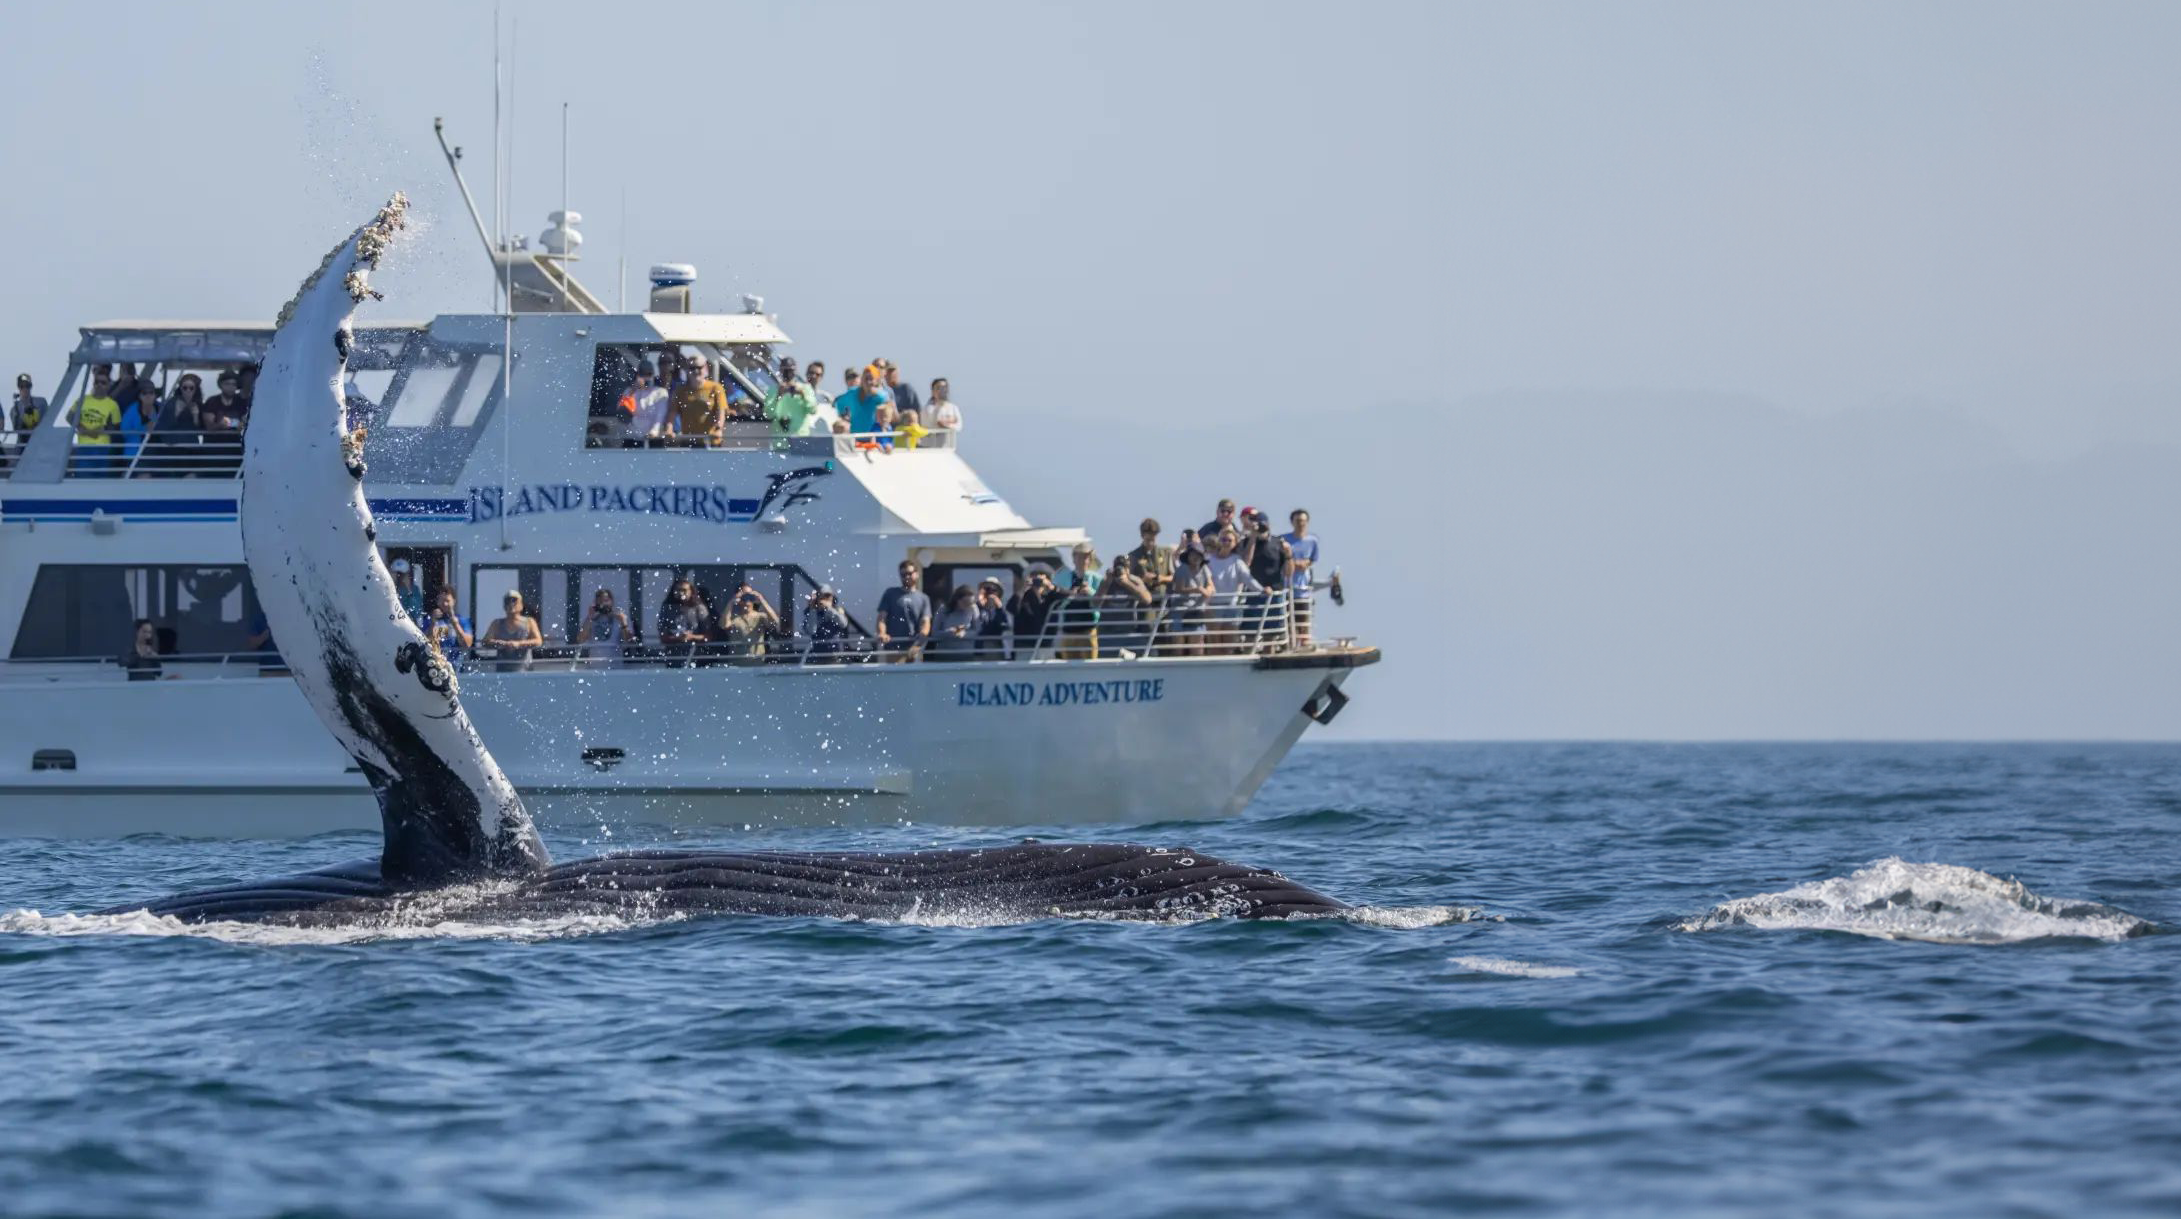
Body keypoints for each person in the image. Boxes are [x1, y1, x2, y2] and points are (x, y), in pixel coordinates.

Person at [1240, 507, 1294, 649]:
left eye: (1263, 524)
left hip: (1275, 594)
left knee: (1272, 633)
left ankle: (1269, 656)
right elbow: (1246, 564)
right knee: (1250, 632)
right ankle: (1248, 655)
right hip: (1254, 593)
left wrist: (1289, 555)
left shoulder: (1278, 543)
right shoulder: (1247, 542)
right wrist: (1252, 537)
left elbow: (1289, 573)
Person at [1204, 528, 1263, 654]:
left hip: (1232, 606)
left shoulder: (1237, 561)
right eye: (1223, 539)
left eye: (1229, 540)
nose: (1225, 542)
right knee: (1214, 643)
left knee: (1229, 643)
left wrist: (1263, 590)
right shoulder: (1208, 560)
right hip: (1213, 606)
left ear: (1235, 543)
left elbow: (1248, 579)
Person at [1098, 553, 1155, 657]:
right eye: (1118, 567)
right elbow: (1095, 603)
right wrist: (1106, 583)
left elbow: (1147, 599)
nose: (1120, 570)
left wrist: (1127, 583)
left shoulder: (1134, 580)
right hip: (1108, 633)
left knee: (1151, 652)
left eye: (1124, 567)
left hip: (1129, 632)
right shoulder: (1107, 581)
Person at [874, 560, 932, 661]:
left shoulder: (923, 598)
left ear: (917, 574)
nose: (907, 577)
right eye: (903, 574)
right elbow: (881, 617)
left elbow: (926, 622)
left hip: (915, 648)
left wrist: (919, 641)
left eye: (909, 573)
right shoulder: (890, 593)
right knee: (894, 676)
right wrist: (882, 633)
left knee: (914, 676)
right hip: (893, 648)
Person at [1053, 543, 1103, 659]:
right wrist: (1071, 594)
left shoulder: (1096, 578)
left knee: (1090, 666)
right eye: (1079, 556)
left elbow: (1100, 602)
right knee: (1068, 668)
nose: (1082, 560)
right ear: (1073, 558)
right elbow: (1056, 599)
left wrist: (1089, 592)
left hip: (1088, 630)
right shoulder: (1062, 577)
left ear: (1090, 560)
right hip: (1067, 631)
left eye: (1085, 557)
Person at [151, 374, 206, 476]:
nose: (188, 391)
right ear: (180, 388)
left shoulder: (198, 404)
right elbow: (162, 426)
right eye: (185, 388)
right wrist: (176, 413)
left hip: (191, 449)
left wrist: (195, 416)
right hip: (173, 448)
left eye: (191, 388)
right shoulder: (171, 403)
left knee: (191, 478)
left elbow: (200, 429)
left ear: (196, 389)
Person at [1164, 544, 1213, 657]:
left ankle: (1197, 671)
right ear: (1188, 556)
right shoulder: (1182, 569)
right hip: (1180, 611)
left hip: (1197, 611)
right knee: (1178, 644)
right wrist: (1197, 589)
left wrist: (1207, 591)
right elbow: (1178, 589)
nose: (1196, 557)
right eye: (1193, 554)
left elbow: (1210, 585)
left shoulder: (1204, 568)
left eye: (1198, 555)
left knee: (1197, 643)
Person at [671, 353, 729, 445]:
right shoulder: (680, 390)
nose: (696, 371)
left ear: (705, 368)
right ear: (687, 370)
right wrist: (669, 429)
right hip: (688, 442)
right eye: (692, 368)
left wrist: (718, 429)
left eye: (699, 367)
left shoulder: (716, 388)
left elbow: (721, 411)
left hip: (711, 442)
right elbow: (672, 413)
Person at [1283, 508, 1321, 644]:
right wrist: (1294, 563)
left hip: (1303, 589)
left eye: (1303, 521)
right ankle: (1290, 646)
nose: (1301, 524)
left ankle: (1304, 645)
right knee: (1288, 624)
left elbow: (1313, 559)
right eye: (1298, 521)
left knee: (1304, 623)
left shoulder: (1313, 541)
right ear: (1292, 522)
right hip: (1287, 587)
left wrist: (1306, 563)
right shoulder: (1284, 540)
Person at [73, 369, 122, 476]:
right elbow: (70, 416)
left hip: (103, 449)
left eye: (103, 382)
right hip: (84, 448)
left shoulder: (113, 405)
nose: (99, 385)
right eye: (97, 382)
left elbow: (116, 426)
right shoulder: (82, 400)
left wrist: (101, 430)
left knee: (101, 484)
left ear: (108, 385)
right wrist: (81, 427)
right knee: (83, 482)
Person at [482, 591, 545, 671]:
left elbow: (538, 641)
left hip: (525, 671)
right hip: (502, 672)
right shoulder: (497, 623)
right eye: (508, 602)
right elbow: (485, 641)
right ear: (504, 606)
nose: (511, 604)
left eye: (514, 601)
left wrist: (519, 644)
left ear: (521, 605)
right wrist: (502, 643)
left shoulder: (529, 622)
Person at [715, 585, 781, 661]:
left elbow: (775, 621)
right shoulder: (734, 619)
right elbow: (723, 625)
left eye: (750, 595)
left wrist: (762, 599)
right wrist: (731, 602)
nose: (747, 600)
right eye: (744, 596)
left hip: (758, 664)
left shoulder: (760, 617)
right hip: (737, 665)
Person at [1007, 568, 1063, 657]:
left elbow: (1064, 598)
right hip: (1024, 646)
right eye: (1034, 576)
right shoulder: (1022, 596)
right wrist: (1023, 588)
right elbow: (1011, 608)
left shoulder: (1051, 597)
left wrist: (1051, 586)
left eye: (1041, 577)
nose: (1037, 580)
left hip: (1046, 646)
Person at [764, 356, 824, 437]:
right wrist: (778, 396)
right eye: (786, 371)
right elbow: (768, 414)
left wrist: (803, 395)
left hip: (801, 438)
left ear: (795, 372)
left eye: (791, 371)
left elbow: (813, 410)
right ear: (781, 371)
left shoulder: (805, 389)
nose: (788, 374)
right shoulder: (773, 390)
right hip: (781, 441)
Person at [657, 577, 711, 661]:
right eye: (678, 590)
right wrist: (678, 638)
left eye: (684, 590)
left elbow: (708, 636)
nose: (681, 593)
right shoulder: (667, 608)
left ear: (691, 591)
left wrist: (691, 637)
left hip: (696, 656)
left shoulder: (699, 608)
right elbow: (663, 636)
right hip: (673, 657)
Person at [579, 587, 634, 666]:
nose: (602, 604)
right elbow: (581, 640)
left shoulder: (620, 618)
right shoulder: (590, 620)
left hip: (615, 669)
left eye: (605, 601)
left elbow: (629, 641)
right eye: (600, 601)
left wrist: (623, 624)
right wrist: (589, 618)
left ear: (612, 601)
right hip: (594, 669)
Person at [120, 380, 163, 476]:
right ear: (140, 396)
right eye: (144, 393)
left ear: (155, 395)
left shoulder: (161, 408)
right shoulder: (131, 410)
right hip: (135, 454)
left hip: (156, 453)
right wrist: (144, 428)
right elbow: (124, 432)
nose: (148, 396)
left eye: (151, 393)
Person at [622, 360, 672, 443]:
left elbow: (660, 416)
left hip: (654, 439)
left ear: (653, 375)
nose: (646, 377)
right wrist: (633, 390)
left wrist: (654, 431)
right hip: (632, 439)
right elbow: (622, 413)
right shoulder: (629, 391)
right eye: (642, 374)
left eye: (649, 374)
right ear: (637, 375)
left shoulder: (661, 392)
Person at [927, 585, 981, 661]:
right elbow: (934, 633)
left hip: (965, 655)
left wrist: (964, 634)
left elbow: (977, 631)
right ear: (957, 599)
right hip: (944, 655)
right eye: (965, 602)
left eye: (970, 603)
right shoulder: (942, 610)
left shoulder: (973, 608)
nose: (968, 606)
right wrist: (949, 633)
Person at [837, 365, 891, 435]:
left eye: (871, 379)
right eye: (866, 378)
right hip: (855, 437)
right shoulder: (852, 393)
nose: (868, 382)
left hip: (874, 438)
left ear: (876, 381)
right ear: (862, 379)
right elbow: (839, 404)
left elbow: (885, 400)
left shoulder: (881, 395)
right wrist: (844, 417)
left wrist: (873, 392)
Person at [804, 586, 852, 662]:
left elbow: (843, 623)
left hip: (836, 654)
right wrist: (813, 610)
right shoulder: (811, 612)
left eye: (828, 596)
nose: (826, 599)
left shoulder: (837, 610)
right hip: (817, 654)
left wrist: (829, 609)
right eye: (822, 596)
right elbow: (811, 630)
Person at [1126, 518, 1172, 596]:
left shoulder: (1166, 553)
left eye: (1153, 539)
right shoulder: (1133, 555)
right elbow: (1129, 579)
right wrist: (1142, 580)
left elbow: (1173, 577)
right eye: (1148, 540)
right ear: (1142, 536)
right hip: (1143, 601)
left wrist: (1161, 578)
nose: (1151, 543)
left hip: (1163, 600)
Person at [424, 588, 473, 659]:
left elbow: (467, 645)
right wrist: (433, 623)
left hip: (456, 668)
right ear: (437, 602)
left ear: (454, 601)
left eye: (447, 601)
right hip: (437, 665)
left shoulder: (462, 621)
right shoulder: (430, 620)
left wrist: (455, 624)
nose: (445, 604)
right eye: (442, 600)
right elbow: (425, 643)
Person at [973, 578, 1011, 660]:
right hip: (979, 648)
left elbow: (1005, 626)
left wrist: (999, 608)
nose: (990, 593)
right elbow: (976, 624)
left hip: (996, 646)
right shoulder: (975, 609)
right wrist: (980, 603)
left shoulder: (1003, 611)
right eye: (987, 590)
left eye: (993, 590)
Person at [10, 373, 46, 455]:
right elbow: (16, 429)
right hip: (22, 447)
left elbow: (47, 422)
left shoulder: (41, 402)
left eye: (27, 386)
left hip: (39, 445)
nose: (25, 389)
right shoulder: (14, 408)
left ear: (31, 386)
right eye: (22, 386)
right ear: (18, 388)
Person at [389, 558, 426, 623]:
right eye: (397, 574)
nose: (399, 577)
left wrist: (409, 590)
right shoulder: (388, 589)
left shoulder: (414, 590)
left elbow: (417, 612)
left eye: (402, 574)